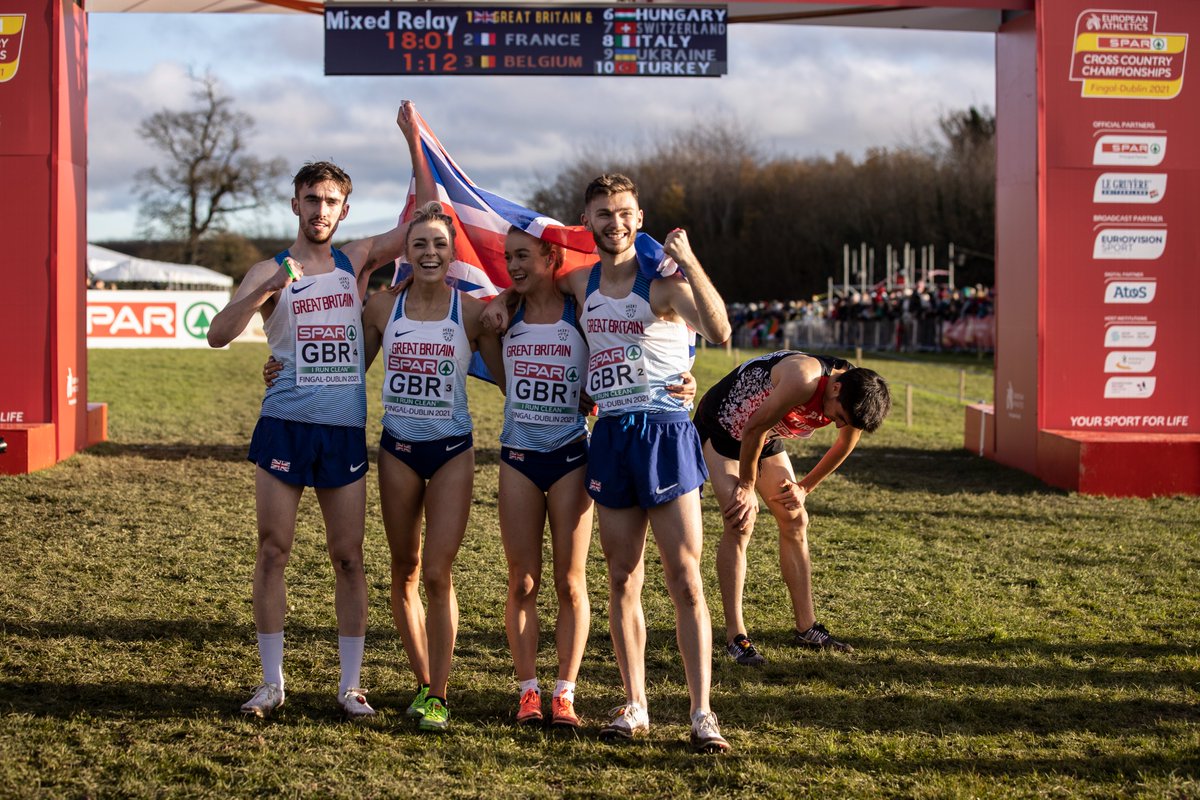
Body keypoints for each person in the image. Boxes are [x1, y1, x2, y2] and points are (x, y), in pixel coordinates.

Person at [485, 173, 733, 754]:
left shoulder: (664, 285)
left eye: (623, 213)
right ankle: (636, 705)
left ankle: (702, 714)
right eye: (603, 213)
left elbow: (719, 329)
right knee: (622, 578)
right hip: (612, 433)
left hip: (666, 432)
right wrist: (501, 298)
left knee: (686, 580)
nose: (614, 223)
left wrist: (690, 260)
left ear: (638, 218)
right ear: (588, 220)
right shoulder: (580, 281)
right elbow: (531, 283)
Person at [206, 158, 411, 720]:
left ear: (345, 209)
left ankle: (350, 687)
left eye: (331, 201)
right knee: (273, 552)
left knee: (348, 558)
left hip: (342, 430)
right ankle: (271, 684)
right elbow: (217, 335)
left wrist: (413, 144)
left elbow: (421, 220)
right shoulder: (267, 269)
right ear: (295, 204)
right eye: (311, 199)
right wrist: (265, 290)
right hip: (284, 426)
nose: (321, 210)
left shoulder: (357, 259)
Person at [368, 200, 503, 733]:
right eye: (419, 243)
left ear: (452, 253)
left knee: (438, 573)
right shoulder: (382, 308)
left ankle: (441, 695)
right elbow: (340, 367)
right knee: (403, 570)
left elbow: (514, 376)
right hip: (396, 449)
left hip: (452, 452)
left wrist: (504, 312)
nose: (429, 252)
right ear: (405, 251)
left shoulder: (470, 312)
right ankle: (423, 682)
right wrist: (279, 364)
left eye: (439, 245)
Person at [692, 351, 891, 665]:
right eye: (839, 417)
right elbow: (752, 429)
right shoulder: (803, 378)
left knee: (796, 519)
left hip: (764, 435)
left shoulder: (854, 394)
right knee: (741, 519)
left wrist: (805, 487)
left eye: (844, 422)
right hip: (723, 429)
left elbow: (844, 444)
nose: (837, 424)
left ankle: (806, 626)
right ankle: (736, 636)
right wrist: (746, 485)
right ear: (836, 389)